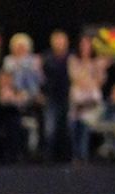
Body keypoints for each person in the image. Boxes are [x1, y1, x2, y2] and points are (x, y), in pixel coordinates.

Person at [41, 30, 72, 160]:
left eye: (61, 40)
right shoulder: (45, 58)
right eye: (57, 40)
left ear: (66, 42)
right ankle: (48, 158)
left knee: (67, 128)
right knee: (50, 130)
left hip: (69, 97)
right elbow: (41, 78)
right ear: (52, 42)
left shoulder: (72, 57)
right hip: (51, 98)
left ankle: (67, 157)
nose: (59, 43)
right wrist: (42, 93)